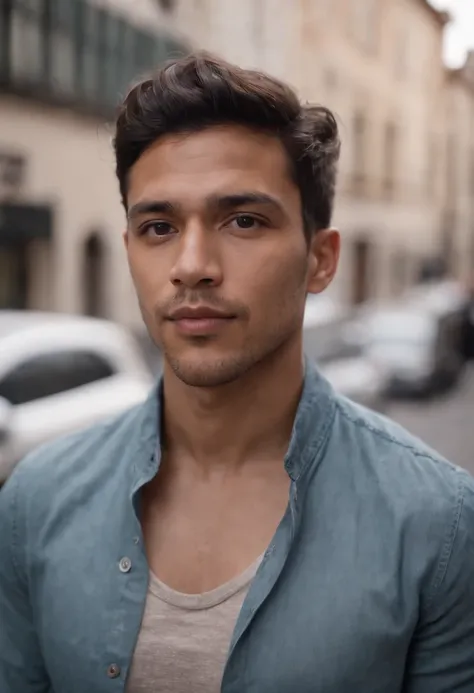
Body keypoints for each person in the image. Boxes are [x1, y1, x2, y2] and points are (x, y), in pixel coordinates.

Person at [0, 52, 473, 693]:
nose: (192, 264)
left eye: (243, 220)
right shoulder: (36, 500)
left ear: (320, 260)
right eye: (159, 226)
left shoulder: (438, 524)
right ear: (130, 251)